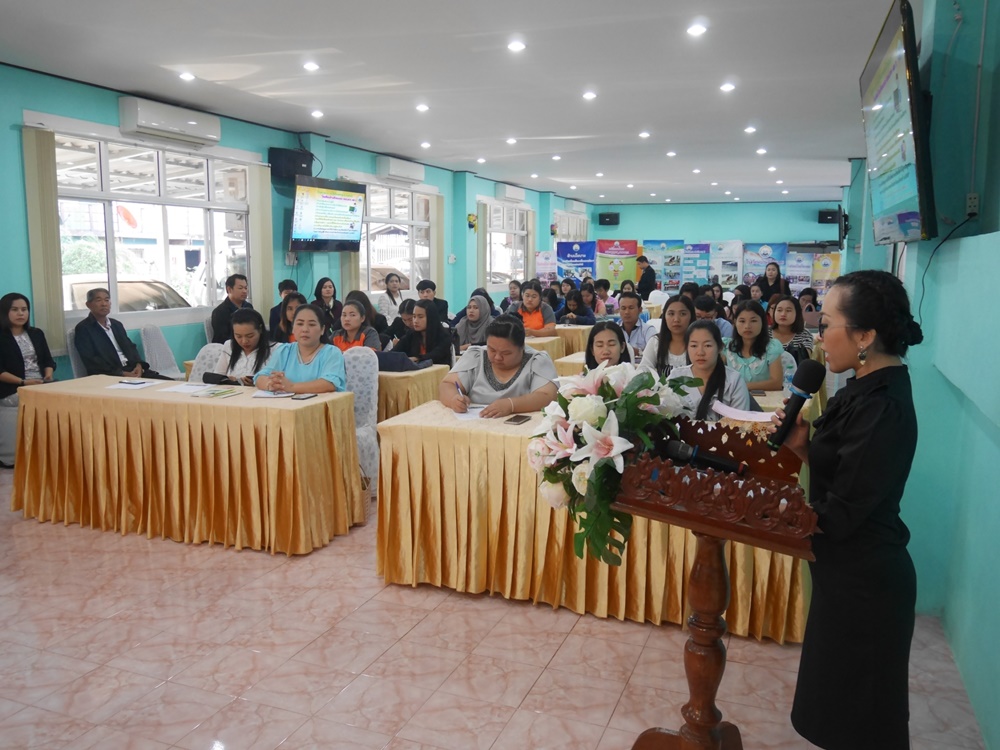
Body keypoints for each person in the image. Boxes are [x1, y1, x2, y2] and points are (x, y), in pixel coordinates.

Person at [769, 270, 923, 749]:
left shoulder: (884, 407)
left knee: (860, 721)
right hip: (841, 573)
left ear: (864, 336)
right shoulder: (861, 387)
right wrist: (802, 447)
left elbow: (843, 509)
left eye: (827, 324)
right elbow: (844, 473)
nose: (819, 336)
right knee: (834, 714)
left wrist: (769, 516)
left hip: (866, 585)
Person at [440, 314, 558, 418]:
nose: (497, 357)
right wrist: (454, 399)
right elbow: (448, 384)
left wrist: (511, 405)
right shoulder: (476, 357)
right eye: (492, 350)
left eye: (506, 353)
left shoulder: (536, 361)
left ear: (522, 347)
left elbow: (547, 396)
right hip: (475, 424)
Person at [0, 293, 55, 466]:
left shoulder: (36, 333)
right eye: (15, 310)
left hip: (40, 383)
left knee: (66, 396)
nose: (21, 313)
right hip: (12, 387)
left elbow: (48, 361)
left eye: (24, 309)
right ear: (4, 312)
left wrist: (48, 375)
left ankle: (53, 452)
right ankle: (14, 457)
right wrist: (23, 382)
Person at [74, 288, 169, 379]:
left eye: (107, 300)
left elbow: (130, 348)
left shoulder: (116, 325)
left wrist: (138, 365)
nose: (104, 304)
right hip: (110, 375)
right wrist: (122, 374)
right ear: (88, 305)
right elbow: (91, 361)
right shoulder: (84, 328)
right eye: (98, 300)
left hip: (131, 369)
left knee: (169, 383)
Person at [668, 320, 751, 421]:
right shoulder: (676, 377)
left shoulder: (734, 381)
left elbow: (740, 424)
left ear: (720, 347)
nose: (700, 352)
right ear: (686, 348)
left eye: (707, 345)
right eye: (694, 346)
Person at [254, 304, 346, 393]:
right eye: (300, 324)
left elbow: (329, 383)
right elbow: (260, 377)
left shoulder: (332, 353)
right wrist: (271, 384)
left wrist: (291, 387)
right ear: (293, 328)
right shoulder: (284, 350)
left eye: (311, 324)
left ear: (322, 329)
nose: (305, 329)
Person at [725, 301, 784, 390]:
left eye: (753, 321)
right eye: (742, 321)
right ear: (735, 322)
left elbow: (776, 383)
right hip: (732, 398)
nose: (747, 326)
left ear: (762, 322)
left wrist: (741, 387)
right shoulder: (726, 346)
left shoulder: (772, 347)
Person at [212, 308, 275, 385]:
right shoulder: (229, 346)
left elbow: (283, 381)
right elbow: (217, 376)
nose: (244, 341)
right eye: (238, 336)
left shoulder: (276, 349)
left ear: (260, 329)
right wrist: (228, 380)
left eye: (250, 336)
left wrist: (258, 382)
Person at [642, 295, 695, 376]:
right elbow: (643, 370)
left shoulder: (699, 343)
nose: (676, 319)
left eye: (682, 314)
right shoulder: (656, 342)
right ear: (664, 316)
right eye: (671, 314)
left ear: (691, 316)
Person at [396, 299, 452, 365]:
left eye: (420, 317)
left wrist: (418, 359)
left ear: (431, 317)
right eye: (414, 316)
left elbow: (435, 356)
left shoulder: (444, 336)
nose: (415, 321)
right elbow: (395, 352)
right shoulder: (411, 334)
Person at [211, 273, 253, 344]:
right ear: (229, 289)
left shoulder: (248, 307)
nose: (244, 291)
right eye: (240, 288)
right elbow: (221, 338)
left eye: (245, 288)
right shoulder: (219, 312)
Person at [771, 295, 814, 363]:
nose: (783, 314)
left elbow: (804, 359)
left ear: (797, 313)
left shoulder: (805, 334)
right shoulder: (765, 333)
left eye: (788, 310)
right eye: (779, 310)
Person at [617, 292, 656, 358]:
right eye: (623, 308)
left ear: (640, 310)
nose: (627, 312)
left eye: (631, 308)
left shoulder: (648, 330)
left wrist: (637, 352)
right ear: (619, 310)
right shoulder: (613, 330)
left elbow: (655, 352)